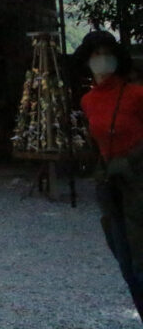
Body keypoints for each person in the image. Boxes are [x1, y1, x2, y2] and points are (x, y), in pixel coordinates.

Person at [77, 30, 143, 319]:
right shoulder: (87, 101)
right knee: (124, 259)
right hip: (110, 186)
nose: (101, 60)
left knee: (141, 260)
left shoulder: (137, 94)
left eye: (105, 54)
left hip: (139, 183)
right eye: (94, 55)